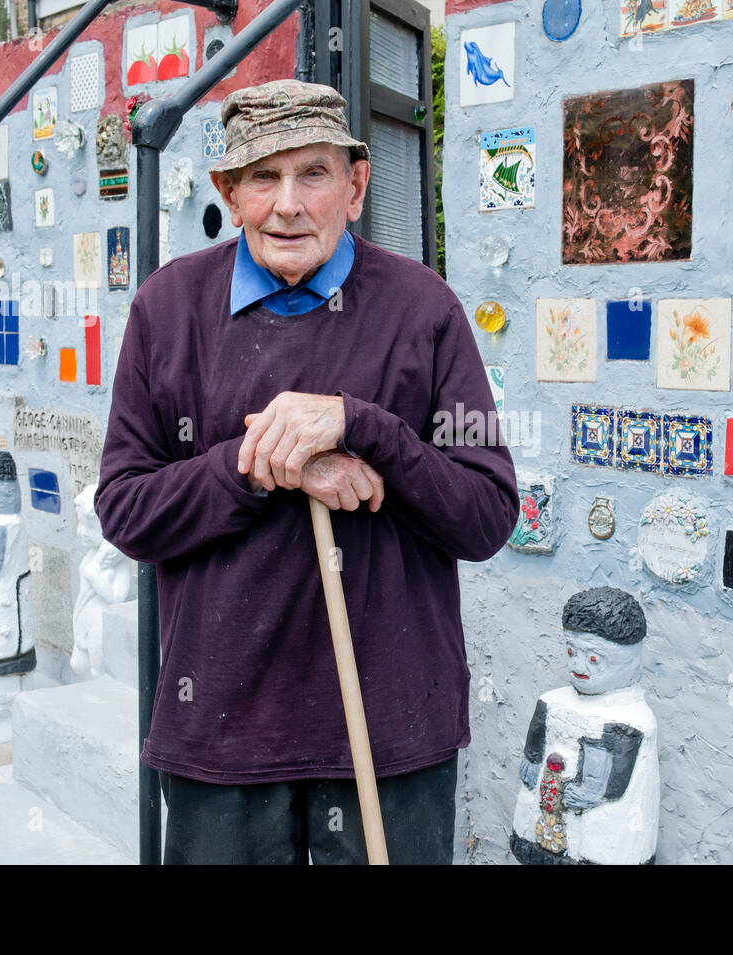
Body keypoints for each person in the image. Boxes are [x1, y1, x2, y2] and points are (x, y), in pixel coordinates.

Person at [95, 79, 518, 865]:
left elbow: (486, 514)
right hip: (221, 729)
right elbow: (124, 509)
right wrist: (264, 467)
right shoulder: (169, 308)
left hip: (391, 730)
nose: (288, 204)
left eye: (313, 174)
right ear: (229, 191)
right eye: (263, 176)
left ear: (355, 187)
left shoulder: (423, 310)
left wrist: (363, 426)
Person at [510, 587, 659, 865]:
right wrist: (531, 760)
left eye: (593, 657)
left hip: (596, 833)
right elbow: (536, 743)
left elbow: (616, 779)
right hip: (547, 809)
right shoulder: (551, 702)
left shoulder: (632, 720)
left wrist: (595, 792)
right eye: (571, 651)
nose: (578, 665)